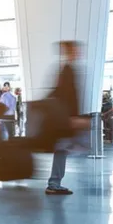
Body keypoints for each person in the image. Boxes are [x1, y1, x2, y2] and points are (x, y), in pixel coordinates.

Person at [46, 41, 89, 195]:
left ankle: (54, 182)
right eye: (75, 50)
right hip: (66, 118)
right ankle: (54, 182)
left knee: (62, 148)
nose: (78, 53)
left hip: (65, 117)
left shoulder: (67, 69)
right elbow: (67, 95)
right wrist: (72, 117)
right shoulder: (68, 69)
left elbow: (58, 93)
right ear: (70, 51)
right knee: (63, 147)